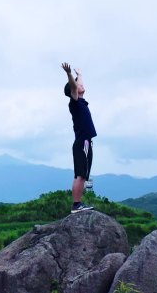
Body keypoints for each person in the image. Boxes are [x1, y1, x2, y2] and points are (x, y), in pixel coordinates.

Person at [61, 62, 97, 213]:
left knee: (82, 175)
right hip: (83, 142)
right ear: (73, 90)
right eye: (77, 85)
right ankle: (77, 205)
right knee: (81, 175)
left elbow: (79, 86)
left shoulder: (81, 102)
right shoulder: (75, 102)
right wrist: (69, 75)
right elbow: (75, 88)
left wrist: (80, 74)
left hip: (85, 142)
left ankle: (77, 204)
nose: (81, 85)